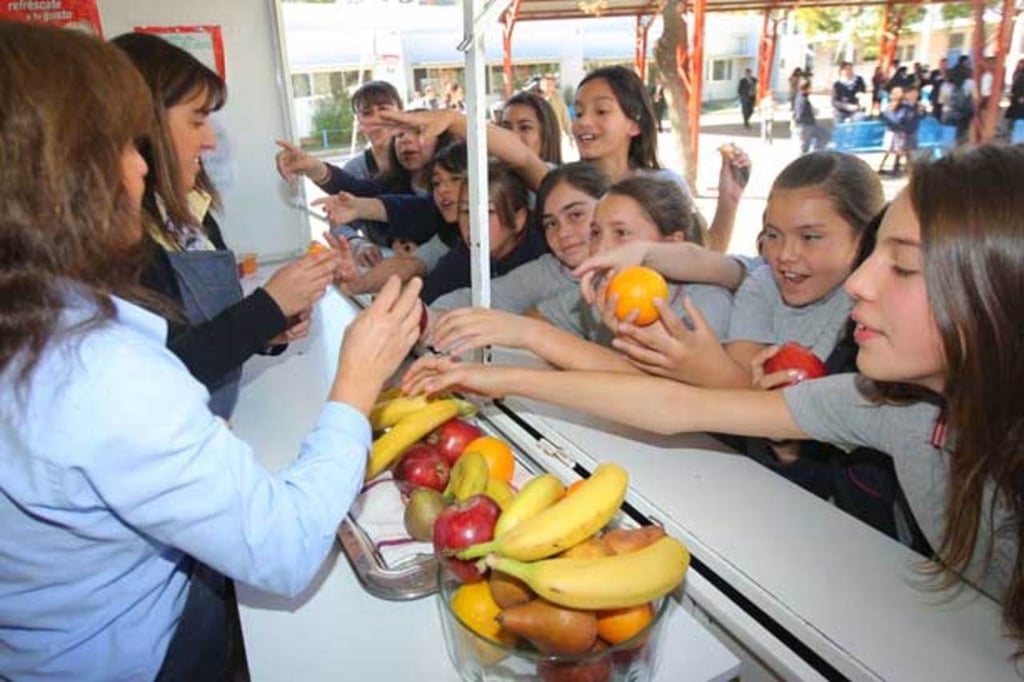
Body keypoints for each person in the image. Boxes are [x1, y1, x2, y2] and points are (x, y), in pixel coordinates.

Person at [404, 145, 1024, 653]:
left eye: (904, 267)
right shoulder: (885, 404)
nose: (862, 282)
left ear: (999, 290)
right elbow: (674, 407)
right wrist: (499, 378)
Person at [0, 21, 423, 680]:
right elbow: (284, 549)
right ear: (65, 175)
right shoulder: (94, 373)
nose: (140, 163)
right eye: (119, 146)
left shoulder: (44, 319)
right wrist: (356, 385)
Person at [113, 32, 339, 420]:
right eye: (197, 120)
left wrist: (268, 329)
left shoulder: (193, 213)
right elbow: (160, 376)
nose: (210, 140)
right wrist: (267, 307)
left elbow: (211, 335)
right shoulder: (117, 244)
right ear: (143, 125)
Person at [382, 65, 750, 253]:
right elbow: (520, 155)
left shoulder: (664, 184)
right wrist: (454, 121)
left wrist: (729, 201)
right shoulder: (565, 182)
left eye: (601, 111)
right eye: (578, 111)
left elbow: (708, 252)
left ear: (634, 124)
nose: (583, 122)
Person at [425, 175, 734, 372]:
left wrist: (538, 338)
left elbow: (662, 393)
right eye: (597, 233)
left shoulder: (706, 305)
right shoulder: (594, 292)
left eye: (622, 233)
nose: (604, 249)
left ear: (672, 244)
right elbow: (536, 317)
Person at [430, 162, 607, 314]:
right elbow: (481, 298)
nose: (563, 233)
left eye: (576, 215)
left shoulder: (633, 263)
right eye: (551, 224)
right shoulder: (545, 271)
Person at [500, 90, 563, 164]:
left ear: (546, 134)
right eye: (506, 128)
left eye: (524, 128)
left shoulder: (564, 175)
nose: (513, 136)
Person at [793, 79, 830, 154]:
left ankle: (816, 152)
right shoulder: (801, 100)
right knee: (805, 146)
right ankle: (814, 153)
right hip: (807, 125)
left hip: (809, 124)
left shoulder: (801, 97)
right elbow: (799, 114)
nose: (811, 90)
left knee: (823, 135)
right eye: (810, 88)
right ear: (806, 89)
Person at [540, 73, 573, 146]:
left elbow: (566, 119)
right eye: (547, 81)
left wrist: (571, 135)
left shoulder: (558, 100)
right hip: (540, 138)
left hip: (555, 138)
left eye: (552, 82)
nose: (550, 84)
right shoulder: (537, 100)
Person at [1006, 59, 1024, 127]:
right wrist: (1012, 93)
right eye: (1021, 64)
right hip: (1016, 96)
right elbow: (1014, 84)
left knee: (1017, 113)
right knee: (1013, 113)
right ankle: (1008, 129)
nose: (1021, 65)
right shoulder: (1017, 73)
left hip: (1019, 96)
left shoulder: (1019, 74)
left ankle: (1009, 129)